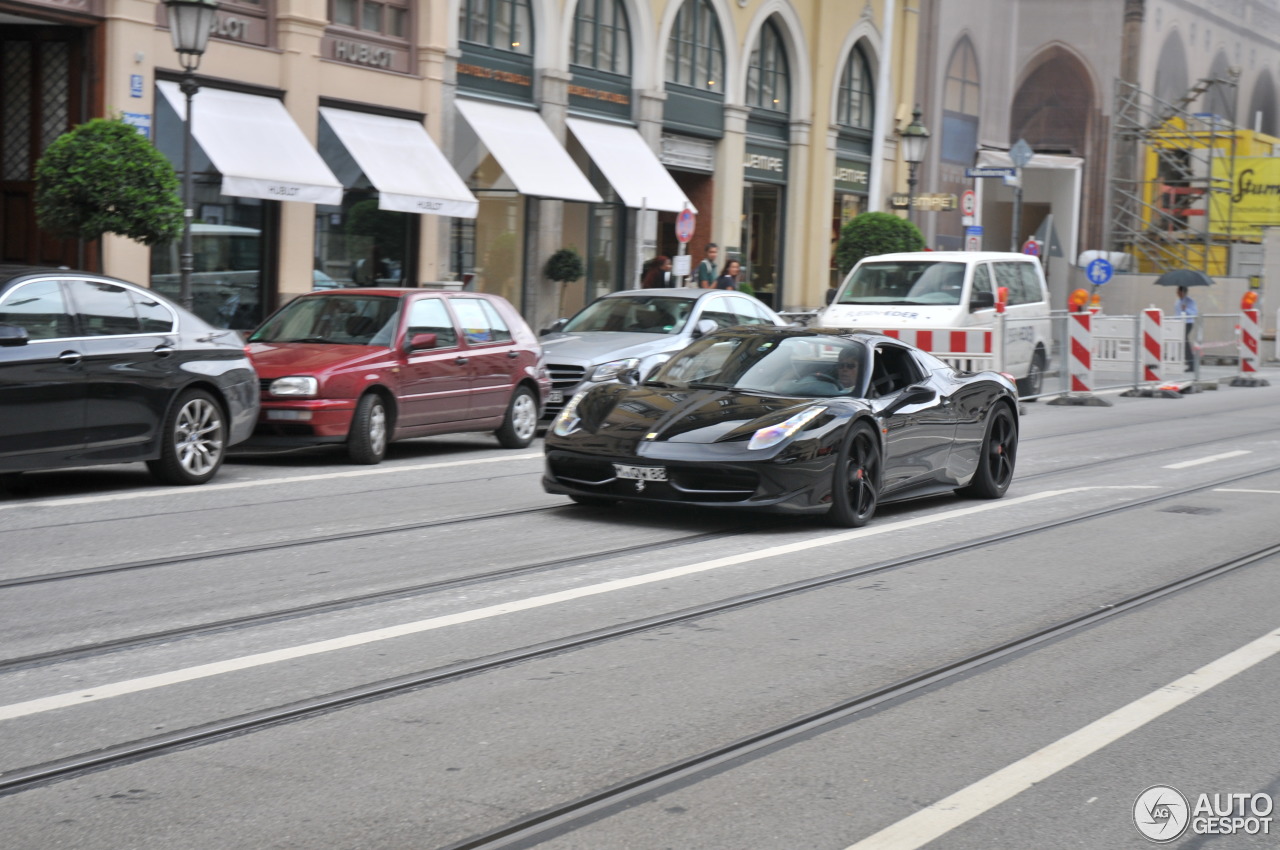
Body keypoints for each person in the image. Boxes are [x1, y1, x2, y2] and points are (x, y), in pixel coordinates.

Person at [1175, 284, 1197, 371]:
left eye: (1178, 291)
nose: (1177, 293)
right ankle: (1189, 362)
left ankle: (1191, 363)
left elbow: (1194, 313)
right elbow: (1177, 313)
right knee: (1183, 342)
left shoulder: (1190, 301)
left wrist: (1186, 309)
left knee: (1185, 341)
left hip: (1188, 322)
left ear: (1182, 292)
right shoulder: (1178, 302)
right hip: (1179, 323)